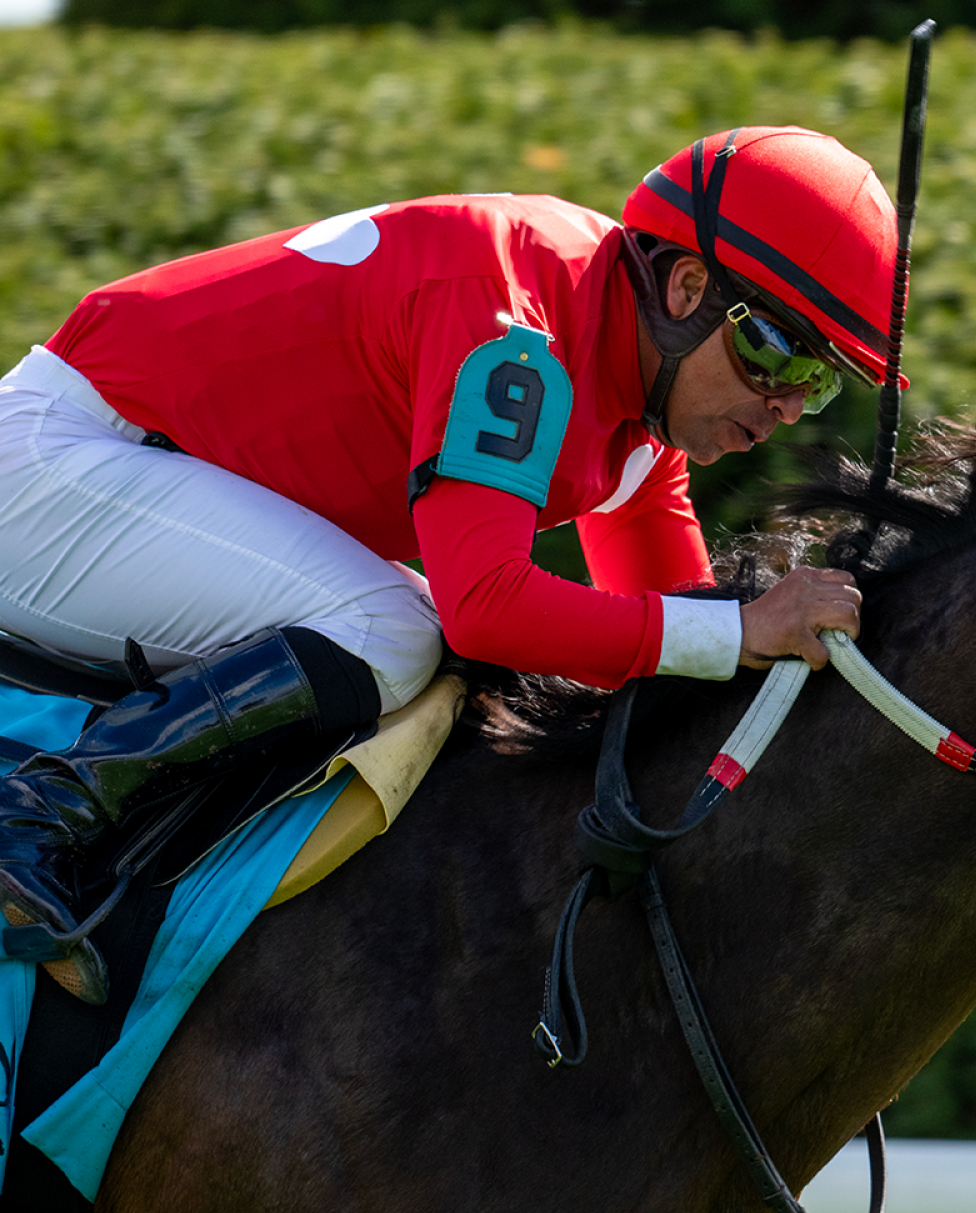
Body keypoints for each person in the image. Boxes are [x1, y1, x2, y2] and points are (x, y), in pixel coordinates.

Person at [0, 125, 895, 1005]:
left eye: (815, 382)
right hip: (55, 467)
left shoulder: (636, 421)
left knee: (416, 637)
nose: (784, 406)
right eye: (772, 352)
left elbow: (671, 647)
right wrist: (741, 627)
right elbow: (488, 605)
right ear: (687, 284)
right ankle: (38, 815)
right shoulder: (518, 327)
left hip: (127, 473)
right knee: (396, 628)